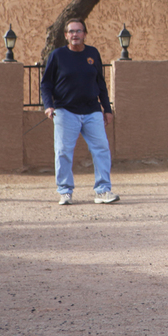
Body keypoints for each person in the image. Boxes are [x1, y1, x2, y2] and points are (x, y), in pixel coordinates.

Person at [40, 18, 120, 205]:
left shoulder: (92, 53)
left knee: (101, 149)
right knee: (63, 152)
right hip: (65, 111)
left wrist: (106, 109)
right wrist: (48, 106)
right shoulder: (57, 55)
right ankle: (65, 191)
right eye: (71, 31)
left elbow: (100, 83)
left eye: (78, 31)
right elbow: (46, 84)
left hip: (92, 111)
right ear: (66, 35)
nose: (74, 34)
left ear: (85, 34)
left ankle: (102, 191)